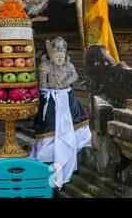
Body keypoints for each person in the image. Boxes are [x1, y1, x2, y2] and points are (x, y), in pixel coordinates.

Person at [29, 36, 92, 188]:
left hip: (67, 98)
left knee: (78, 123)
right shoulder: (45, 66)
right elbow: (43, 83)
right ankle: (48, 159)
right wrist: (48, 85)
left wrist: (64, 82)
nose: (59, 58)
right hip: (51, 99)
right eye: (56, 56)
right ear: (50, 56)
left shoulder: (68, 65)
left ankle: (70, 152)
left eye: (62, 56)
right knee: (49, 127)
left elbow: (75, 75)